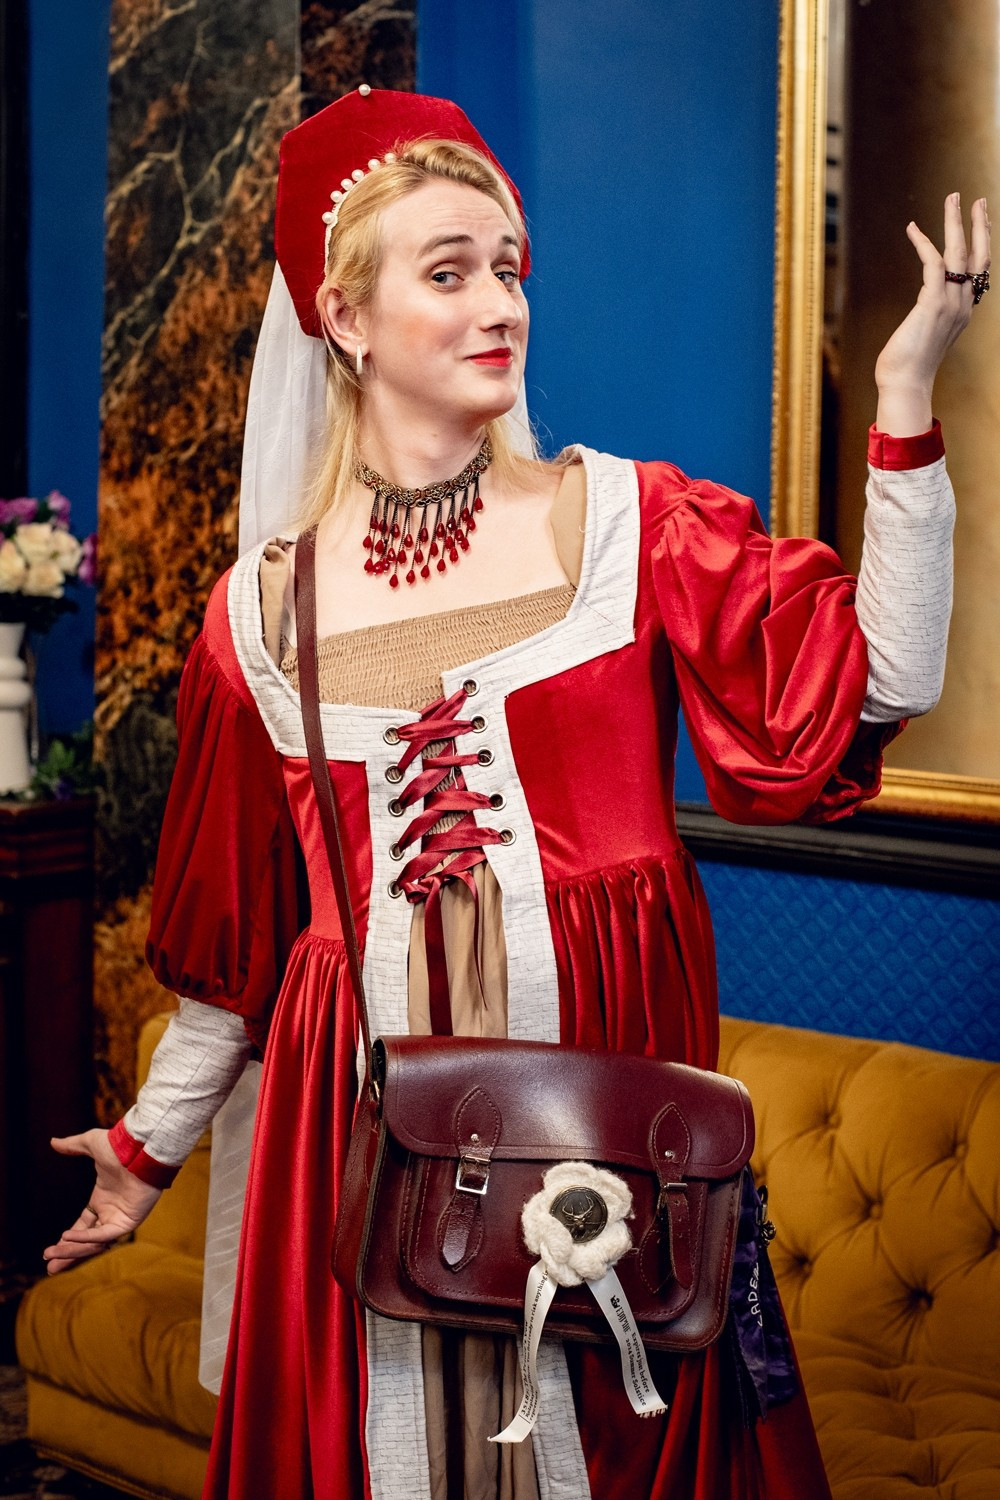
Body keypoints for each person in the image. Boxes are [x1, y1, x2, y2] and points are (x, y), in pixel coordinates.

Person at [43, 88, 988, 1500]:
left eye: (508, 268)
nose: (500, 304)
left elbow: (883, 677)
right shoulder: (259, 617)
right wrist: (143, 1150)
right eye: (448, 272)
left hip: (603, 1127)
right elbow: (239, 959)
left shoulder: (626, 524)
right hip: (348, 1138)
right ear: (346, 322)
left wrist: (906, 401)